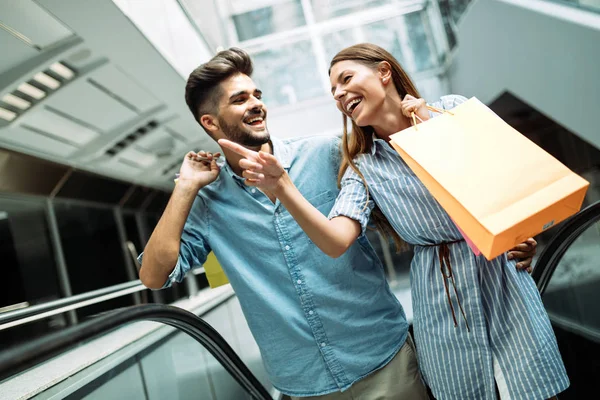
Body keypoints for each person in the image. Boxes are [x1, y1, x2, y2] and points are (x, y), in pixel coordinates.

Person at [139, 47, 536, 399]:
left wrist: (508, 232)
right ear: (210, 123)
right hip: (304, 383)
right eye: (240, 99)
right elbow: (154, 276)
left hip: (385, 361)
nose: (256, 104)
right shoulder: (208, 202)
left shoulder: (327, 154)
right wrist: (185, 188)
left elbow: (428, 195)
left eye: (257, 94)